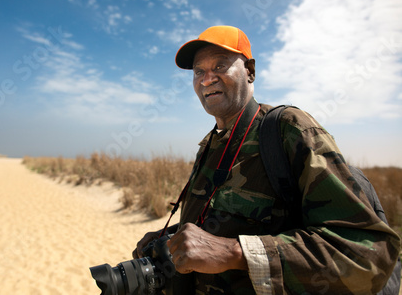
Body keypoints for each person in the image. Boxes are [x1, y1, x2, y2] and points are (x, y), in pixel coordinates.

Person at [132, 25, 401, 294]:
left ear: (250, 71)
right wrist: (170, 239)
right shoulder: (210, 145)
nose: (206, 79)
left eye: (220, 66)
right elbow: (230, 222)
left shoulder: (289, 130)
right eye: (199, 72)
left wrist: (235, 253)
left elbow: (368, 253)